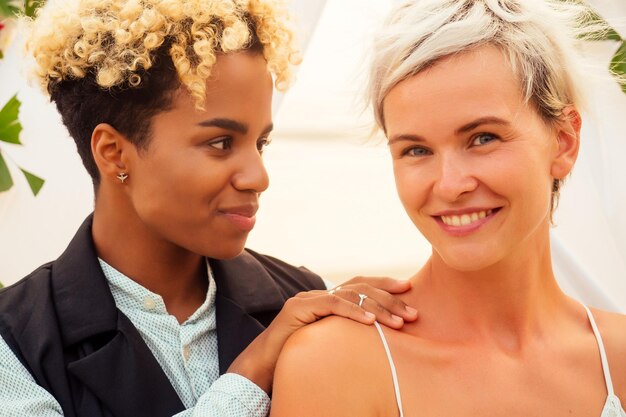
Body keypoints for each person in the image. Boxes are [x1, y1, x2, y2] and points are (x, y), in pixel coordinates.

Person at [0, 0, 420, 416]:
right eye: (221, 143)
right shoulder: (14, 341)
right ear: (114, 154)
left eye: (261, 143)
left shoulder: (304, 299)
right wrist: (255, 371)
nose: (259, 176)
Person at [271, 0, 626, 416]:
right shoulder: (334, 363)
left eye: (483, 138)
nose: (450, 184)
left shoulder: (617, 357)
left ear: (564, 141)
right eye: (416, 149)